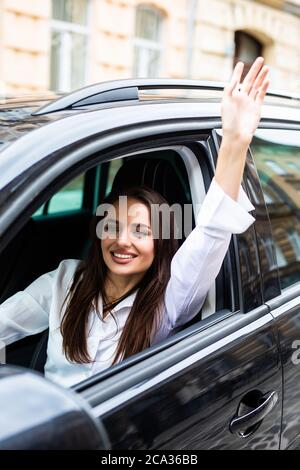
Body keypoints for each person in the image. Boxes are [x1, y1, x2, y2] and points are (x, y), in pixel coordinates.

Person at [0, 58, 269, 388]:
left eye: (141, 230)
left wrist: (235, 143)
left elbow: (212, 229)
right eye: (112, 226)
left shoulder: (169, 301)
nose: (122, 241)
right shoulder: (66, 280)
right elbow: (5, 321)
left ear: (160, 243)